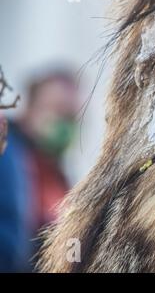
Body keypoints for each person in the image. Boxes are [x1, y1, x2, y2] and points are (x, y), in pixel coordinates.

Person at [0, 66, 79, 272]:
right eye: (57, 110)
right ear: (31, 108)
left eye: (72, 117)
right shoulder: (7, 156)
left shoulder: (61, 180)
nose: (65, 124)